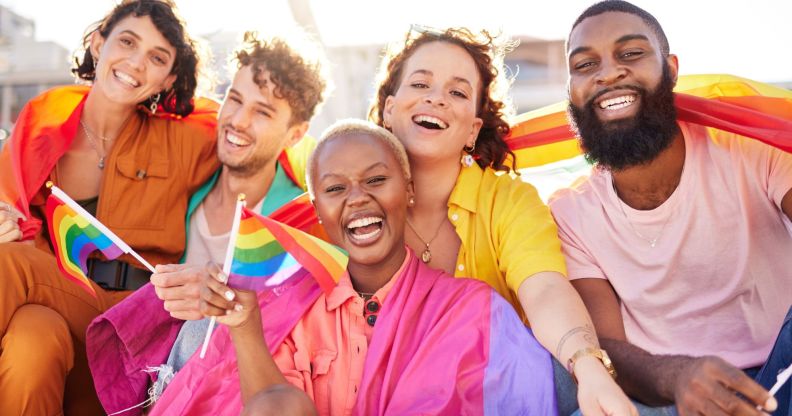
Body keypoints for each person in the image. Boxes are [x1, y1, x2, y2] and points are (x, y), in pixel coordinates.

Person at [144, 119, 558, 415]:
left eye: (376, 180)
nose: (357, 198)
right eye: (336, 189)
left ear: (408, 190)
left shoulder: (468, 310)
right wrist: (246, 326)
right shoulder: (285, 308)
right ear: (318, 211)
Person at [368, 26, 635, 415]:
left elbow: (544, 289)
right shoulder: (353, 201)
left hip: (502, 394)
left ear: (473, 130)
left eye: (457, 92)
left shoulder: (508, 200)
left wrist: (588, 365)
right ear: (390, 109)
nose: (436, 98)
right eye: (420, 83)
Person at [548, 1, 792, 415]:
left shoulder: (749, 149)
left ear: (672, 69)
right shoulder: (570, 212)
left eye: (631, 54)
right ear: (570, 91)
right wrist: (678, 377)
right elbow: (605, 346)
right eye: (585, 64)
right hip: (666, 394)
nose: (608, 73)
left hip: (783, 370)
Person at [86, 32, 329, 414]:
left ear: (295, 134)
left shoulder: (297, 227)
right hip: (148, 378)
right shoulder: (185, 188)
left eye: (262, 112)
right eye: (234, 100)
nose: (237, 121)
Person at [0, 1, 217, 414]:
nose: (136, 63)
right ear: (99, 44)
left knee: (7, 265)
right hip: (61, 312)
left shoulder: (187, 141)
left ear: (167, 78)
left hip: (134, 322)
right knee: (33, 335)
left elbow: (252, 133)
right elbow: (7, 203)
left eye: (156, 58)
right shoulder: (42, 126)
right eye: (127, 42)